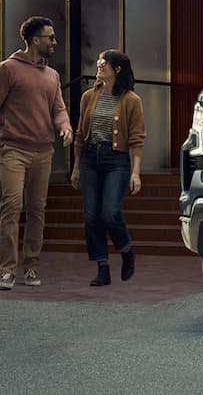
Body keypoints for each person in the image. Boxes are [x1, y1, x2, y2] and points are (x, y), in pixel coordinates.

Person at [0, 16, 74, 290]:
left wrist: (65, 127)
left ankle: (31, 266)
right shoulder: (8, 69)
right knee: (11, 206)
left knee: (37, 210)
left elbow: (58, 108)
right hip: (13, 150)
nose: (55, 42)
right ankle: (6, 269)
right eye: (50, 37)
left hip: (43, 152)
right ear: (35, 40)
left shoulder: (52, 75)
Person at [70, 50, 145, 286]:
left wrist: (136, 172)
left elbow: (137, 138)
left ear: (117, 69)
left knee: (110, 213)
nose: (99, 66)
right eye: (100, 62)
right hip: (90, 159)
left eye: (104, 63)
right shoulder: (87, 97)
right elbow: (81, 135)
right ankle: (102, 268)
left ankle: (126, 251)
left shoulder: (132, 100)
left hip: (117, 161)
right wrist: (76, 168)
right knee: (91, 216)